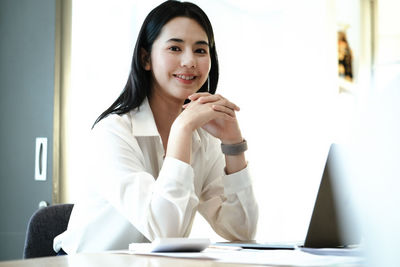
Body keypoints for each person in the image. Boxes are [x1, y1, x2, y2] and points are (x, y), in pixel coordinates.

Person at [54, 0, 258, 254]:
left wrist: (233, 144)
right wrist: (181, 130)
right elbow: (164, 231)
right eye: (175, 47)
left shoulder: (203, 139)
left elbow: (242, 231)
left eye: (200, 50)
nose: (189, 61)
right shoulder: (112, 133)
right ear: (146, 58)